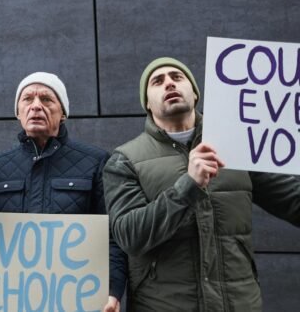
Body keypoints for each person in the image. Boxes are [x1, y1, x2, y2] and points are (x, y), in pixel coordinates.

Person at [103, 57, 300, 311]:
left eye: (177, 77)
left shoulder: (237, 144)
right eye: (157, 81)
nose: (169, 84)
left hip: (238, 303)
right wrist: (187, 186)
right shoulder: (124, 160)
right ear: (148, 105)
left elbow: (293, 201)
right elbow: (129, 235)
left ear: (195, 94)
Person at [0, 72, 127, 312]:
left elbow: (114, 236)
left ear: (63, 113)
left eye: (47, 99)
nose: (36, 106)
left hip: (76, 301)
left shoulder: (95, 161)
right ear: (18, 113)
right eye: (27, 99)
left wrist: (113, 291)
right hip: (11, 302)